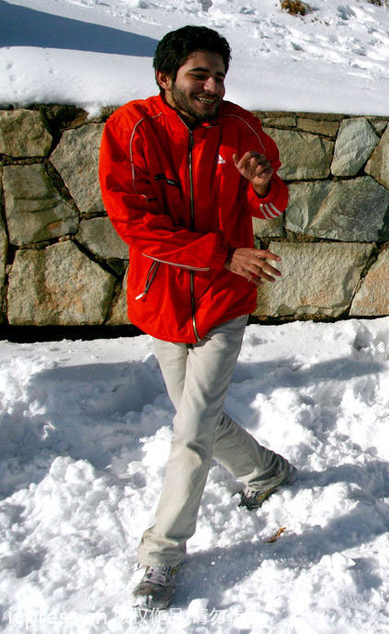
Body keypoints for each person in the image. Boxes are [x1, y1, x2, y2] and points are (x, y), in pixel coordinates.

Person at [99, 25, 297, 611]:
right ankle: (265, 472)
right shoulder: (129, 129)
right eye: (198, 76)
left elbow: (270, 203)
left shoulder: (241, 130)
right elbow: (135, 225)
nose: (211, 86)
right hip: (162, 300)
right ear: (165, 78)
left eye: (218, 76)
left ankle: (160, 556)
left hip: (223, 302)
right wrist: (220, 252)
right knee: (198, 417)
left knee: (189, 431)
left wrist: (264, 186)